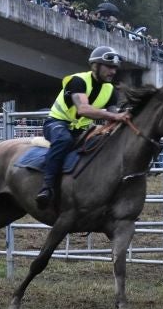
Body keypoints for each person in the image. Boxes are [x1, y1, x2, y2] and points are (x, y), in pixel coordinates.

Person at [36, 46, 129, 209]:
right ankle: (47, 187)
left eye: (115, 68)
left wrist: (126, 115)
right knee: (63, 140)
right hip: (57, 123)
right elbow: (83, 109)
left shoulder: (111, 90)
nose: (113, 71)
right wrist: (115, 116)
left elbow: (115, 114)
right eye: (109, 66)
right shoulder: (78, 81)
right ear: (95, 66)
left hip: (82, 131)